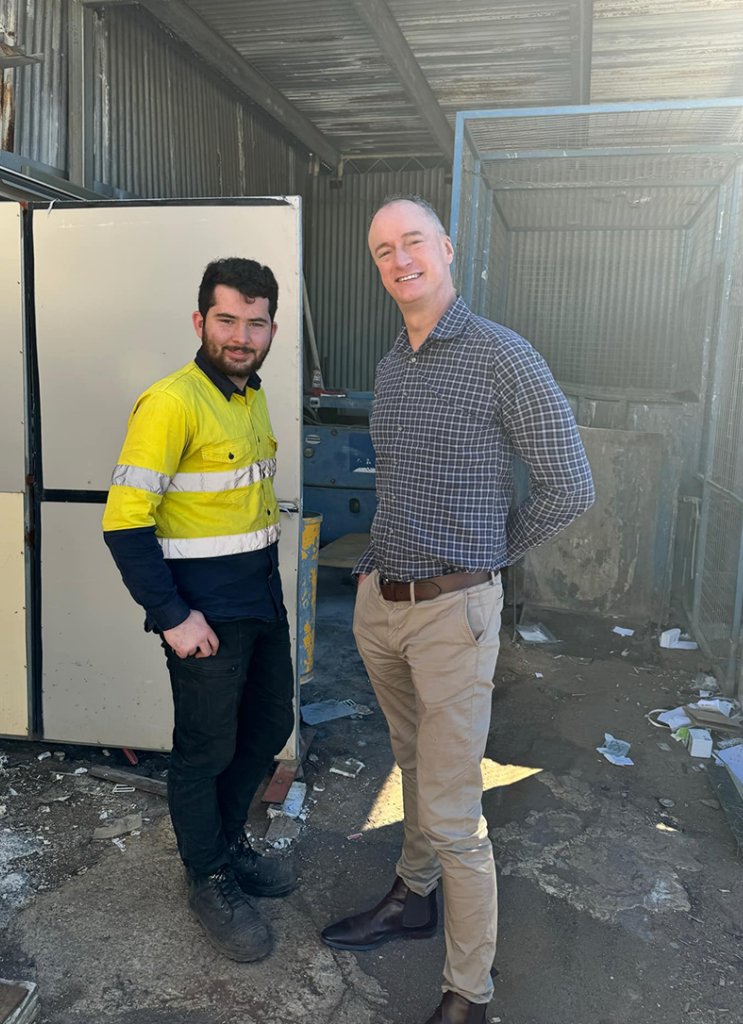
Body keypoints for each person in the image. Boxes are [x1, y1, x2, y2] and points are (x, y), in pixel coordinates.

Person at [320, 197, 595, 1023]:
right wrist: (373, 580)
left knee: (451, 813)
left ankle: (466, 995)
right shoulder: (391, 365)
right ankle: (411, 899)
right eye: (382, 251)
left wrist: (488, 560)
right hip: (384, 604)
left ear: (445, 249)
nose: (399, 260)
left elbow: (569, 487)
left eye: (412, 242)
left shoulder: (502, 357)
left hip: (451, 612)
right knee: (412, 765)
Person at [103, 257, 296, 964]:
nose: (241, 336)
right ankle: (207, 874)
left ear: (271, 327)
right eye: (227, 320)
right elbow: (125, 522)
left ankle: (227, 845)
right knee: (205, 749)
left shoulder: (250, 397)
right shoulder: (172, 402)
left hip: (258, 603)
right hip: (204, 618)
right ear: (199, 322)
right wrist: (171, 615)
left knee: (268, 725)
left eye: (255, 322)